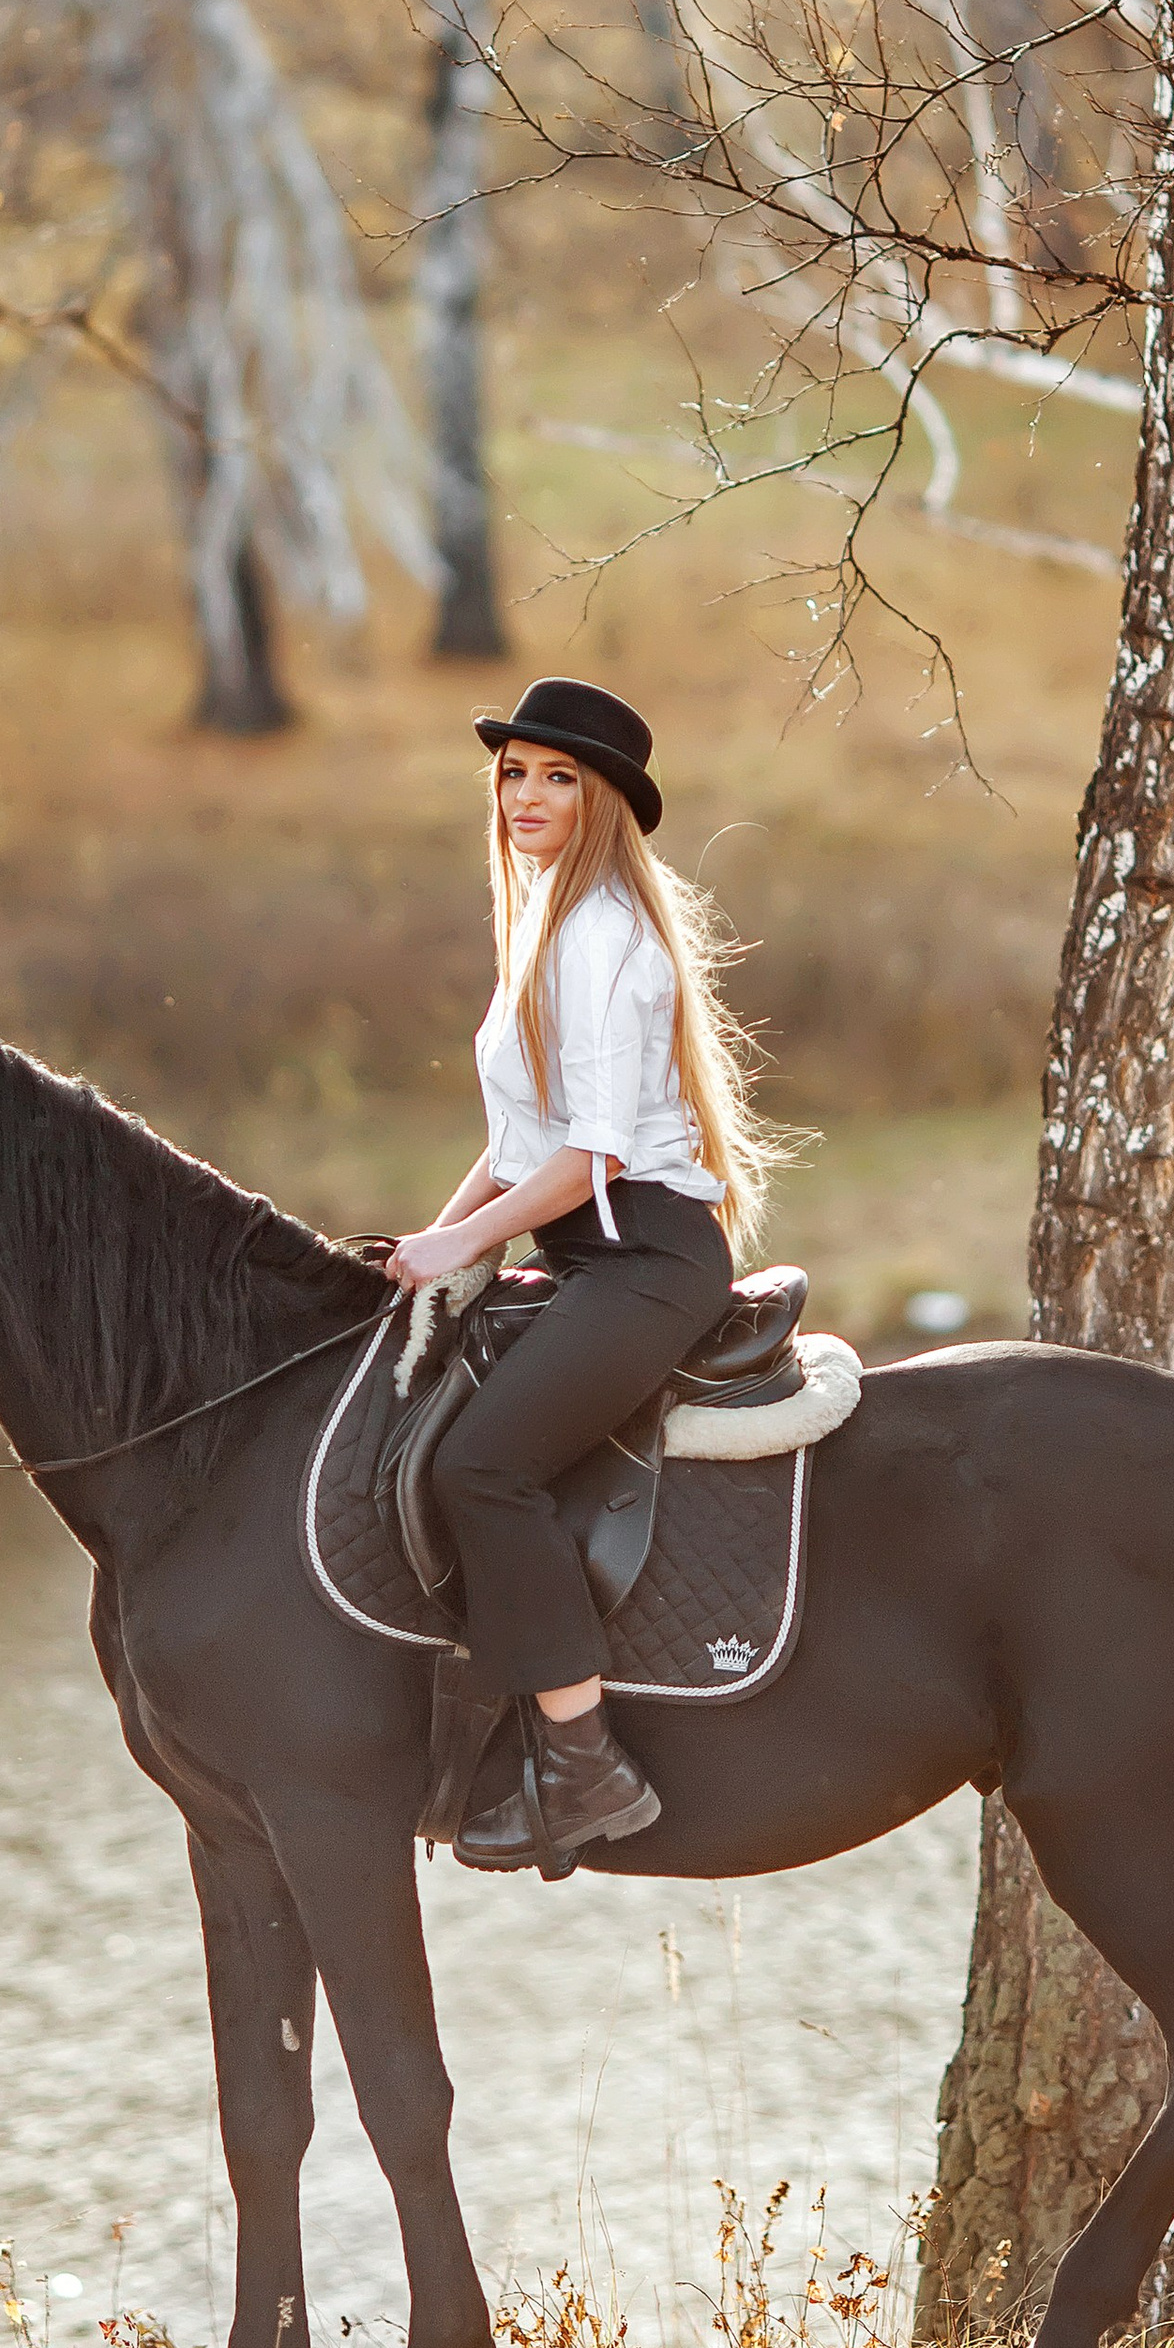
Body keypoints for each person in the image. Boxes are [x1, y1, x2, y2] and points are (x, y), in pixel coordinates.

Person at [386, 676, 781, 1869]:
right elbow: (515, 1146)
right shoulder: (545, 923)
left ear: (603, 801)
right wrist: (431, 1242)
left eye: (558, 777)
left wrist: (472, 1243)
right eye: (514, 772)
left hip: (647, 1257)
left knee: (482, 1464)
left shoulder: (607, 936)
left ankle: (580, 1759)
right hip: (581, 1242)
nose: (527, 794)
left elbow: (593, 1153)